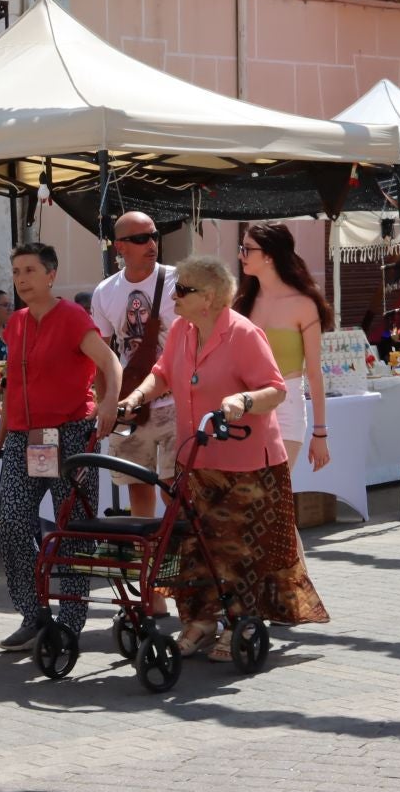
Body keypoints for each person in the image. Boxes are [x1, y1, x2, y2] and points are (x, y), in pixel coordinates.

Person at [119, 257, 329, 660]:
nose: (174, 297)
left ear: (209, 298)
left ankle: (241, 625)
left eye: (183, 290)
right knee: (194, 549)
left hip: (246, 464)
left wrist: (241, 400)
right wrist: (138, 397)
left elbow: (275, 390)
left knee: (236, 551)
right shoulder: (183, 328)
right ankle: (198, 622)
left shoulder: (244, 334)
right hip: (194, 458)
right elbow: (162, 371)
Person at [0, 242, 122, 651]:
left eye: (30, 270)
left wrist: (110, 401)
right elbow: (14, 387)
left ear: (51, 275)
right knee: (11, 521)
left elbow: (111, 363)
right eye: (17, 271)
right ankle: (34, 613)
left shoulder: (74, 317)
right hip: (26, 438)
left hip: (71, 432)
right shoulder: (16, 323)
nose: (22, 279)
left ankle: (71, 621)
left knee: (72, 528)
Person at [90, 211, 176, 519]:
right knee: (137, 486)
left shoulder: (179, 281)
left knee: (175, 487)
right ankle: (150, 560)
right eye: (140, 239)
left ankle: (185, 559)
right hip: (130, 405)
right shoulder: (104, 292)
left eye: (154, 235)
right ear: (120, 247)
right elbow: (102, 356)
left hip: (175, 403)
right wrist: (105, 404)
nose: (151, 244)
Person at [235, 222, 333, 476]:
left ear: (269, 255)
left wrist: (320, 432)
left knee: (274, 491)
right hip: (248, 405)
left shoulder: (304, 304)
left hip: (288, 405)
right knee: (250, 494)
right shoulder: (242, 303)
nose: (240, 255)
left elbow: (314, 373)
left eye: (247, 249)